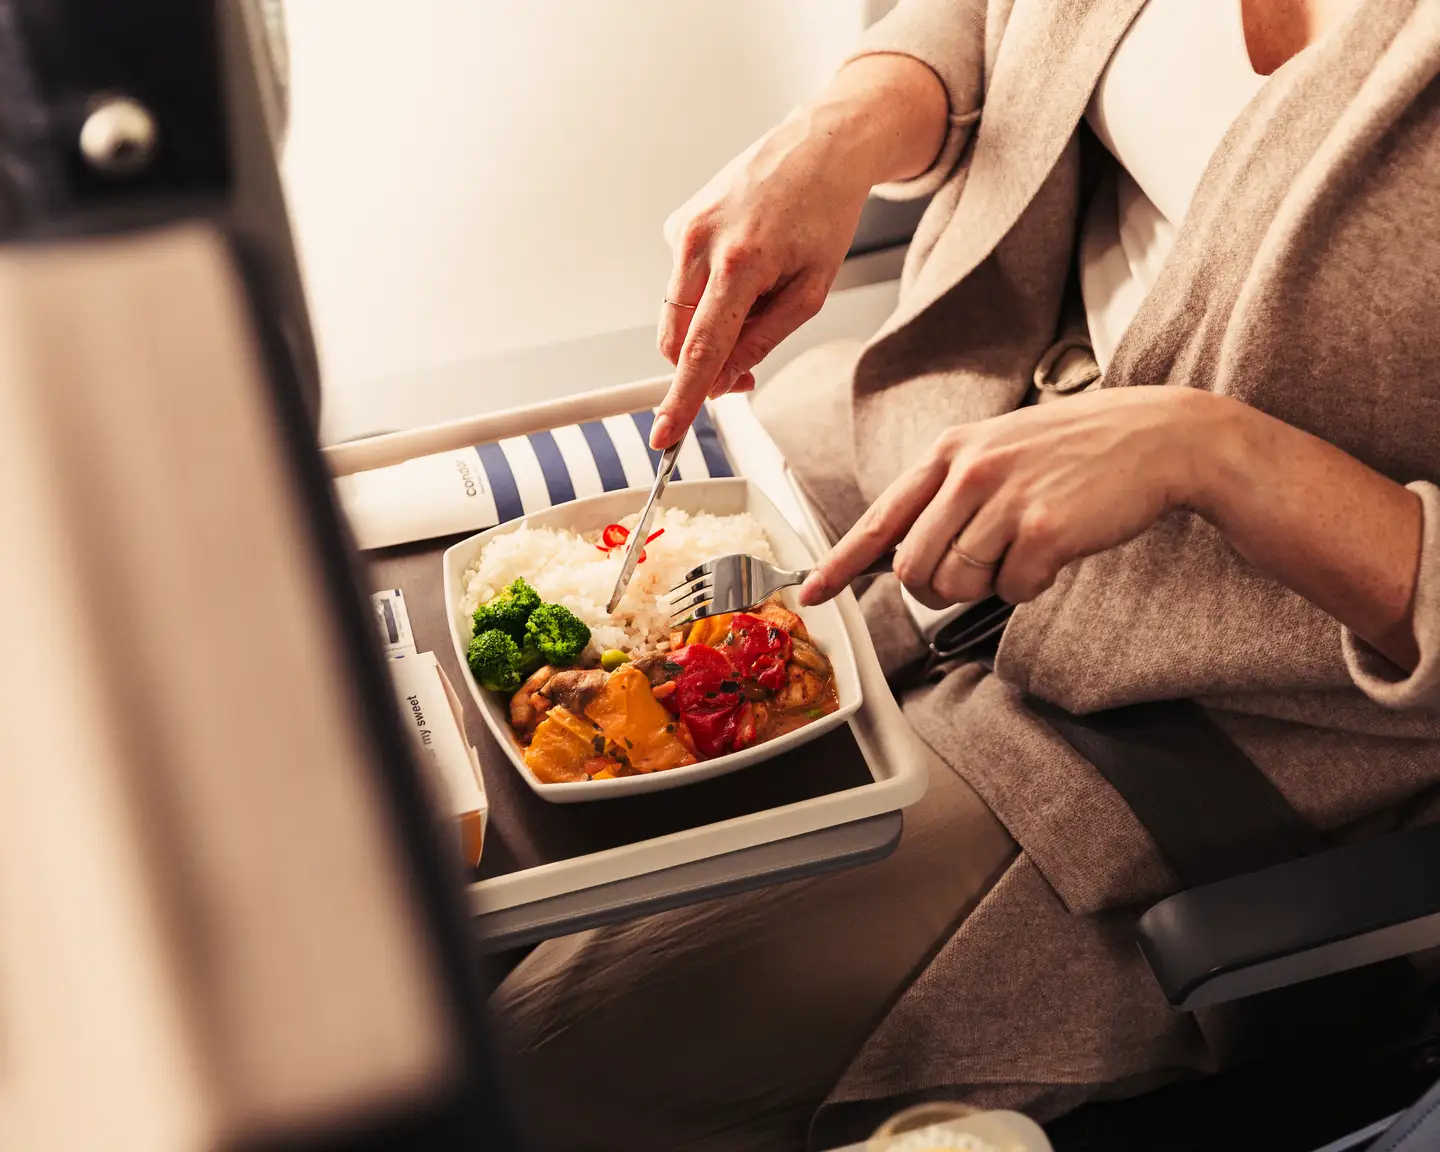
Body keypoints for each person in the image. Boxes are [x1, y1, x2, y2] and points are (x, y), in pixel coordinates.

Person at [492, 1, 1440, 1148]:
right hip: (920, 421)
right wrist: (858, 116)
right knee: (418, 788)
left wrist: (1218, 455)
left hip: (1226, 712)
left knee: (537, 1056)